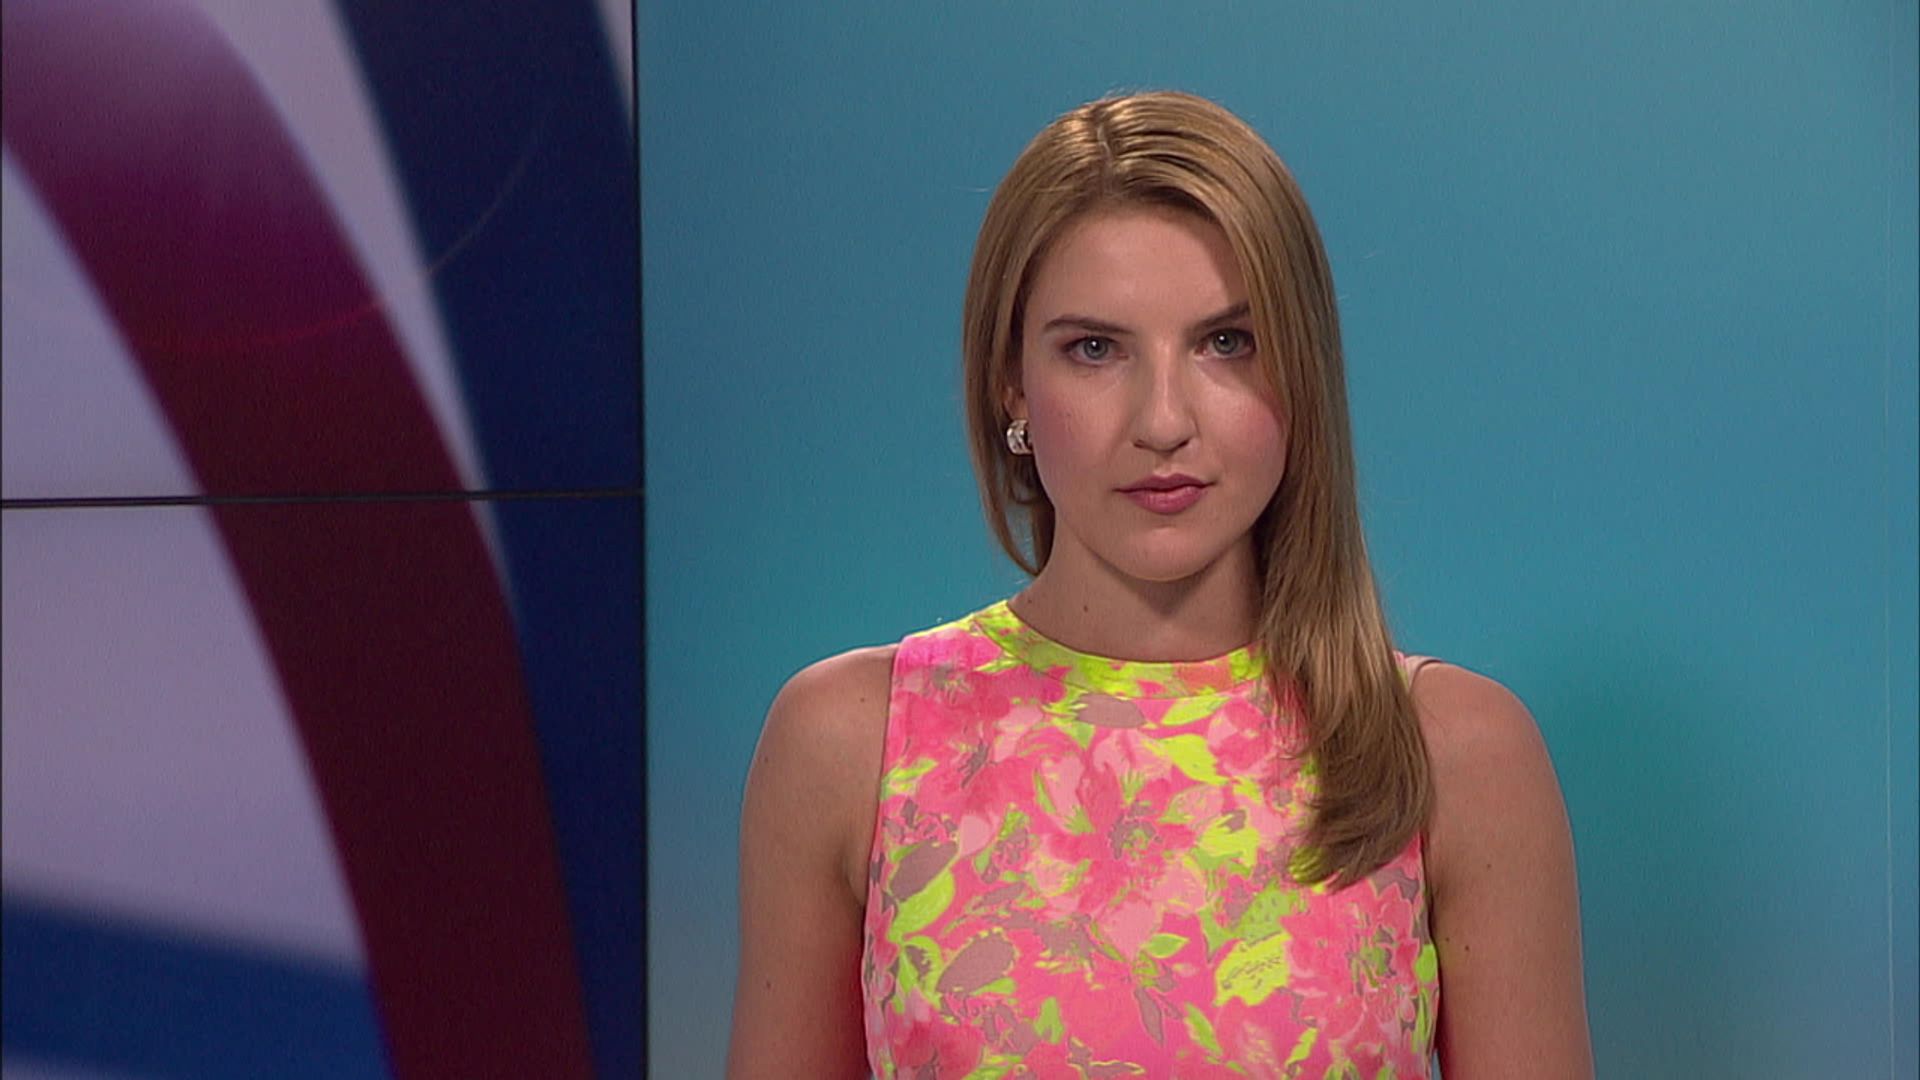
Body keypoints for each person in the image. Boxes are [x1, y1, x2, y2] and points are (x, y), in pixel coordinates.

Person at [727, 91, 1592, 1078]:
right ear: (1012, 383)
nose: (1164, 420)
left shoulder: (1452, 754)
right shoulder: (850, 745)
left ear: (1301, 371)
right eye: (1095, 350)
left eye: (1227, 343)